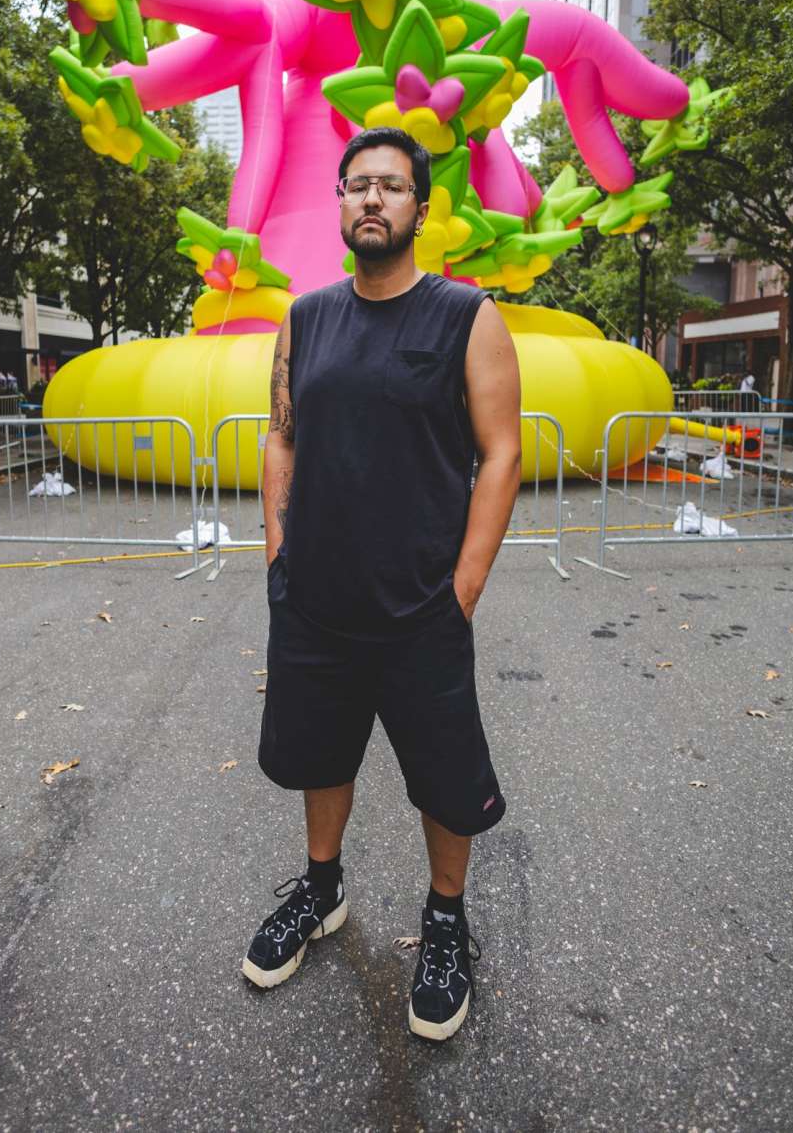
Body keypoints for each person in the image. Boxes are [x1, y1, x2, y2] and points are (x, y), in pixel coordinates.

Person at [242, 127, 522, 1042]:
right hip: (316, 603)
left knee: (446, 782)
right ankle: (321, 892)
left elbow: (501, 451)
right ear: (339, 204)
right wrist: (278, 552)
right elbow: (279, 434)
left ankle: (446, 921)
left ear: (421, 207)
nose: (371, 198)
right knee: (319, 758)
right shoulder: (306, 318)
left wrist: (465, 586)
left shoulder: (466, 317)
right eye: (356, 184)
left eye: (391, 186)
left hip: (421, 610)